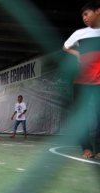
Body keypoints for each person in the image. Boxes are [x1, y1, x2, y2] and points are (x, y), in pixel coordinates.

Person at [63, 0, 100, 160]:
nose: (84, 18)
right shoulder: (79, 33)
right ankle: (86, 148)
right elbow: (65, 46)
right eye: (82, 15)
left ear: (98, 11)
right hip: (81, 82)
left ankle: (99, 150)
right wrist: (77, 54)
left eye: (87, 14)